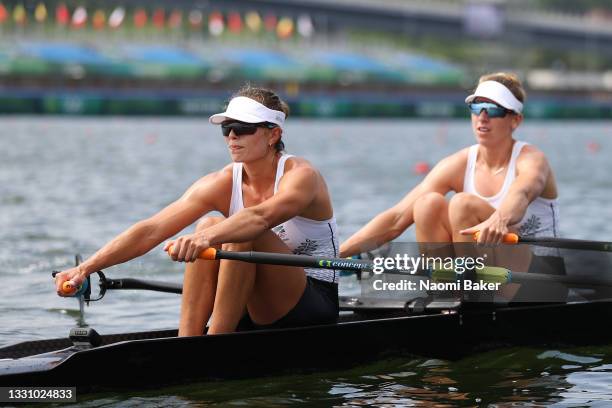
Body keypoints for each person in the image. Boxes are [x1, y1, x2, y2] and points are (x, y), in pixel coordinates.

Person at [55, 86, 340, 336]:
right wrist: (85, 269)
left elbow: (259, 218)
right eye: (226, 128)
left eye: (242, 129)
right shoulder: (222, 181)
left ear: (273, 134)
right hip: (253, 300)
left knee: (237, 230)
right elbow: (151, 230)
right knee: (208, 223)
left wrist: (207, 239)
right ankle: (188, 342)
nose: (231, 136)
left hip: (312, 303)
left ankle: (215, 344)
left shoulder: (301, 175)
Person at [340, 72, 559, 258]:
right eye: (477, 107)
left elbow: (522, 192)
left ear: (515, 120)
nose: (482, 117)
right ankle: (445, 292)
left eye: (493, 110)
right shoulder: (459, 164)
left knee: (463, 204)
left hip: (539, 275)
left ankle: (467, 293)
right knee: (427, 204)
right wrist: (336, 254)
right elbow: (397, 219)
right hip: (490, 273)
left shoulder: (532, 159)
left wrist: (499, 219)